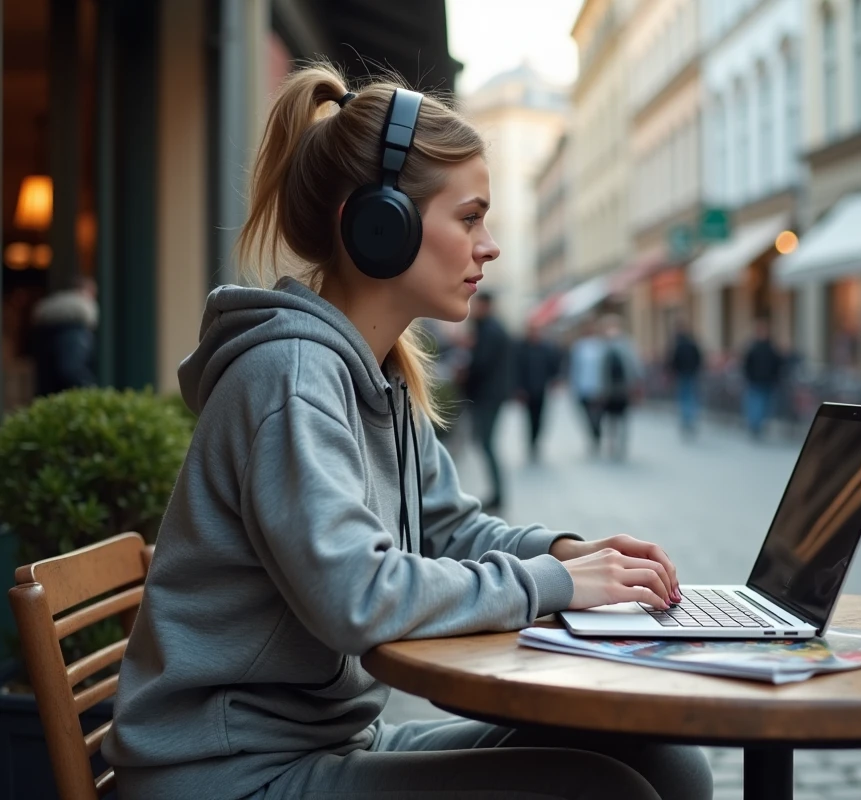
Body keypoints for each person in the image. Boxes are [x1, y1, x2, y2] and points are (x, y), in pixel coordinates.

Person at [103, 65, 710, 800]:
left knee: (663, 759)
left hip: (321, 744)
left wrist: (566, 553)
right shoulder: (292, 377)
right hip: (227, 772)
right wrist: (554, 585)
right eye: (469, 217)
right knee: (604, 790)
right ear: (378, 223)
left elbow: (447, 526)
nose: (489, 247)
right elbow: (356, 595)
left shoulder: (377, 373)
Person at [463, 291, 511, 511]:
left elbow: (482, 363)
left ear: (486, 305)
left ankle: (498, 494)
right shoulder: (491, 328)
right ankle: (497, 492)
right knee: (486, 443)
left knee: (487, 443)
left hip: (487, 396)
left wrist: (464, 373)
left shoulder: (490, 330)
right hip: (491, 394)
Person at [30, 274, 98, 396]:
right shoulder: (76, 326)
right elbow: (71, 370)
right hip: (66, 399)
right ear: (86, 291)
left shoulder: (47, 322)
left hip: (47, 397)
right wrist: (90, 390)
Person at [514, 323, 560, 462]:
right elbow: (516, 368)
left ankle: (536, 439)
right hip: (527, 389)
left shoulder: (546, 348)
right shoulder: (521, 348)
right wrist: (518, 388)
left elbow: (553, 365)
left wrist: (554, 380)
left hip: (541, 388)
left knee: (539, 417)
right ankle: (531, 440)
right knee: (528, 417)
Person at [597, 314, 642, 460]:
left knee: (622, 417)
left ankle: (621, 443)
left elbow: (634, 365)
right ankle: (612, 442)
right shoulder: (604, 346)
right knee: (610, 418)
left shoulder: (625, 345)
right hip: (610, 389)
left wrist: (637, 384)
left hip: (622, 388)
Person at [568, 319, 605, 453]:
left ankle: (597, 433)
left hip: (599, 387)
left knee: (598, 414)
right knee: (587, 414)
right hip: (583, 387)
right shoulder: (579, 346)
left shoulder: (600, 346)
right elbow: (574, 368)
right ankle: (593, 434)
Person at [742, 318, 782, 439]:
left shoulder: (768, 347)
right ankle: (756, 425)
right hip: (757, 381)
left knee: (761, 404)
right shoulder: (760, 347)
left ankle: (757, 425)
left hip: (765, 381)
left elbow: (777, 364)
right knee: (758, 403)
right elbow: (747, 364)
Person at [667, 322, 703, 438]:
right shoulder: (692, 343)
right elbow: (699, 358)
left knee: (684, 397)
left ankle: (686, 419)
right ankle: (689, 419)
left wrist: (672, 371)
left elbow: (673, 360)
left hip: (682, 374)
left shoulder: (677, 344)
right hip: (691, 374)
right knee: (690, 397)